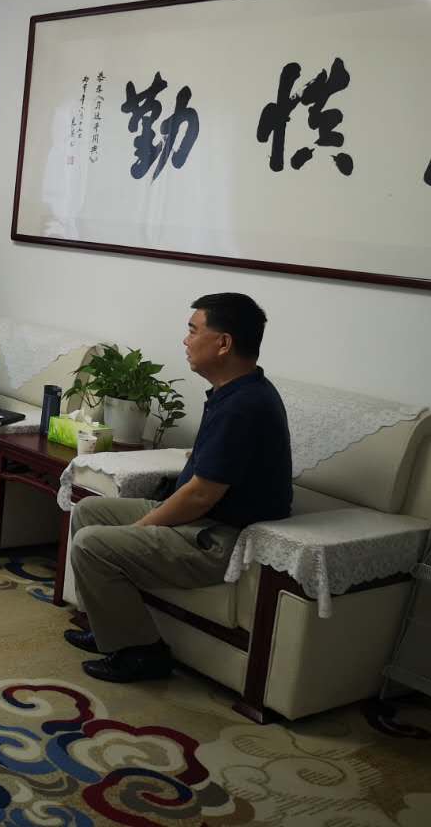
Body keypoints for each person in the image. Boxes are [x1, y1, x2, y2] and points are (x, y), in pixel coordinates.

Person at [64, 292, 292, 683]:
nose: (185, 340)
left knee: (92, 544)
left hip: (216, 538)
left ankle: (142, 654)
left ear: (223, 343)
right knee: (88, 511)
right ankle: (109, 629)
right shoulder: (234, 391)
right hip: (199, 520)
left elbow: (202, 495)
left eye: (193, 330)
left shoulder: (245, 405)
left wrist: (144, 528)